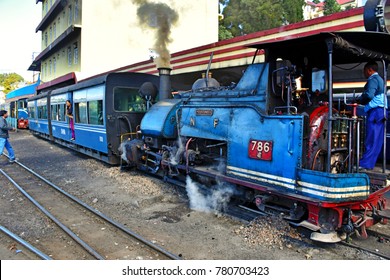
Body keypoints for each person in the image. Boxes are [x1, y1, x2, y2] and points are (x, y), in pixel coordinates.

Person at [357, 61, 387, 170]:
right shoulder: (381, 80)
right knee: (377, 140)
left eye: (365, 71)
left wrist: (360, 99)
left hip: (375, 111)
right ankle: (369, 163)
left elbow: (369, 95)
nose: (364, 73)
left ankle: (365, 164)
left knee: (371, 139)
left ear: (369, 70)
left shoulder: (373, 79)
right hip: (381, 111)